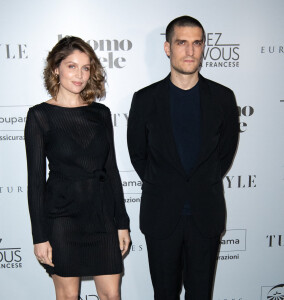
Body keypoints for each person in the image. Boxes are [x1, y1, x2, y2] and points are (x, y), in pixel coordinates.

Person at [127, 16, 239, 300]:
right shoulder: (144, 99)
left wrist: (202, 181)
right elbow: (138, 155)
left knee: (201, 294)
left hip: (206, 214)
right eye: (181, 43)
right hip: (161, 215)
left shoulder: (224, 98)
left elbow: (224, 153)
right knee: (164, 294)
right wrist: (166, 184)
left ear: (203, 48)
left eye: (197, 43)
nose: (190, 51)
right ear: (167, 48)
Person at [25, 36, 130, 300]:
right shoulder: (40, 116)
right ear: (56, 69)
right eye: (72, 66)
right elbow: (36, 181)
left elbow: (112, 171)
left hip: (102, 217)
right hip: (62, 220)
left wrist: (122, 223)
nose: (80, 74)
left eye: (86, 67)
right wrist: (40, 236)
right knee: (68, 297)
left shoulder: (101, 114)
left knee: (111, 295)